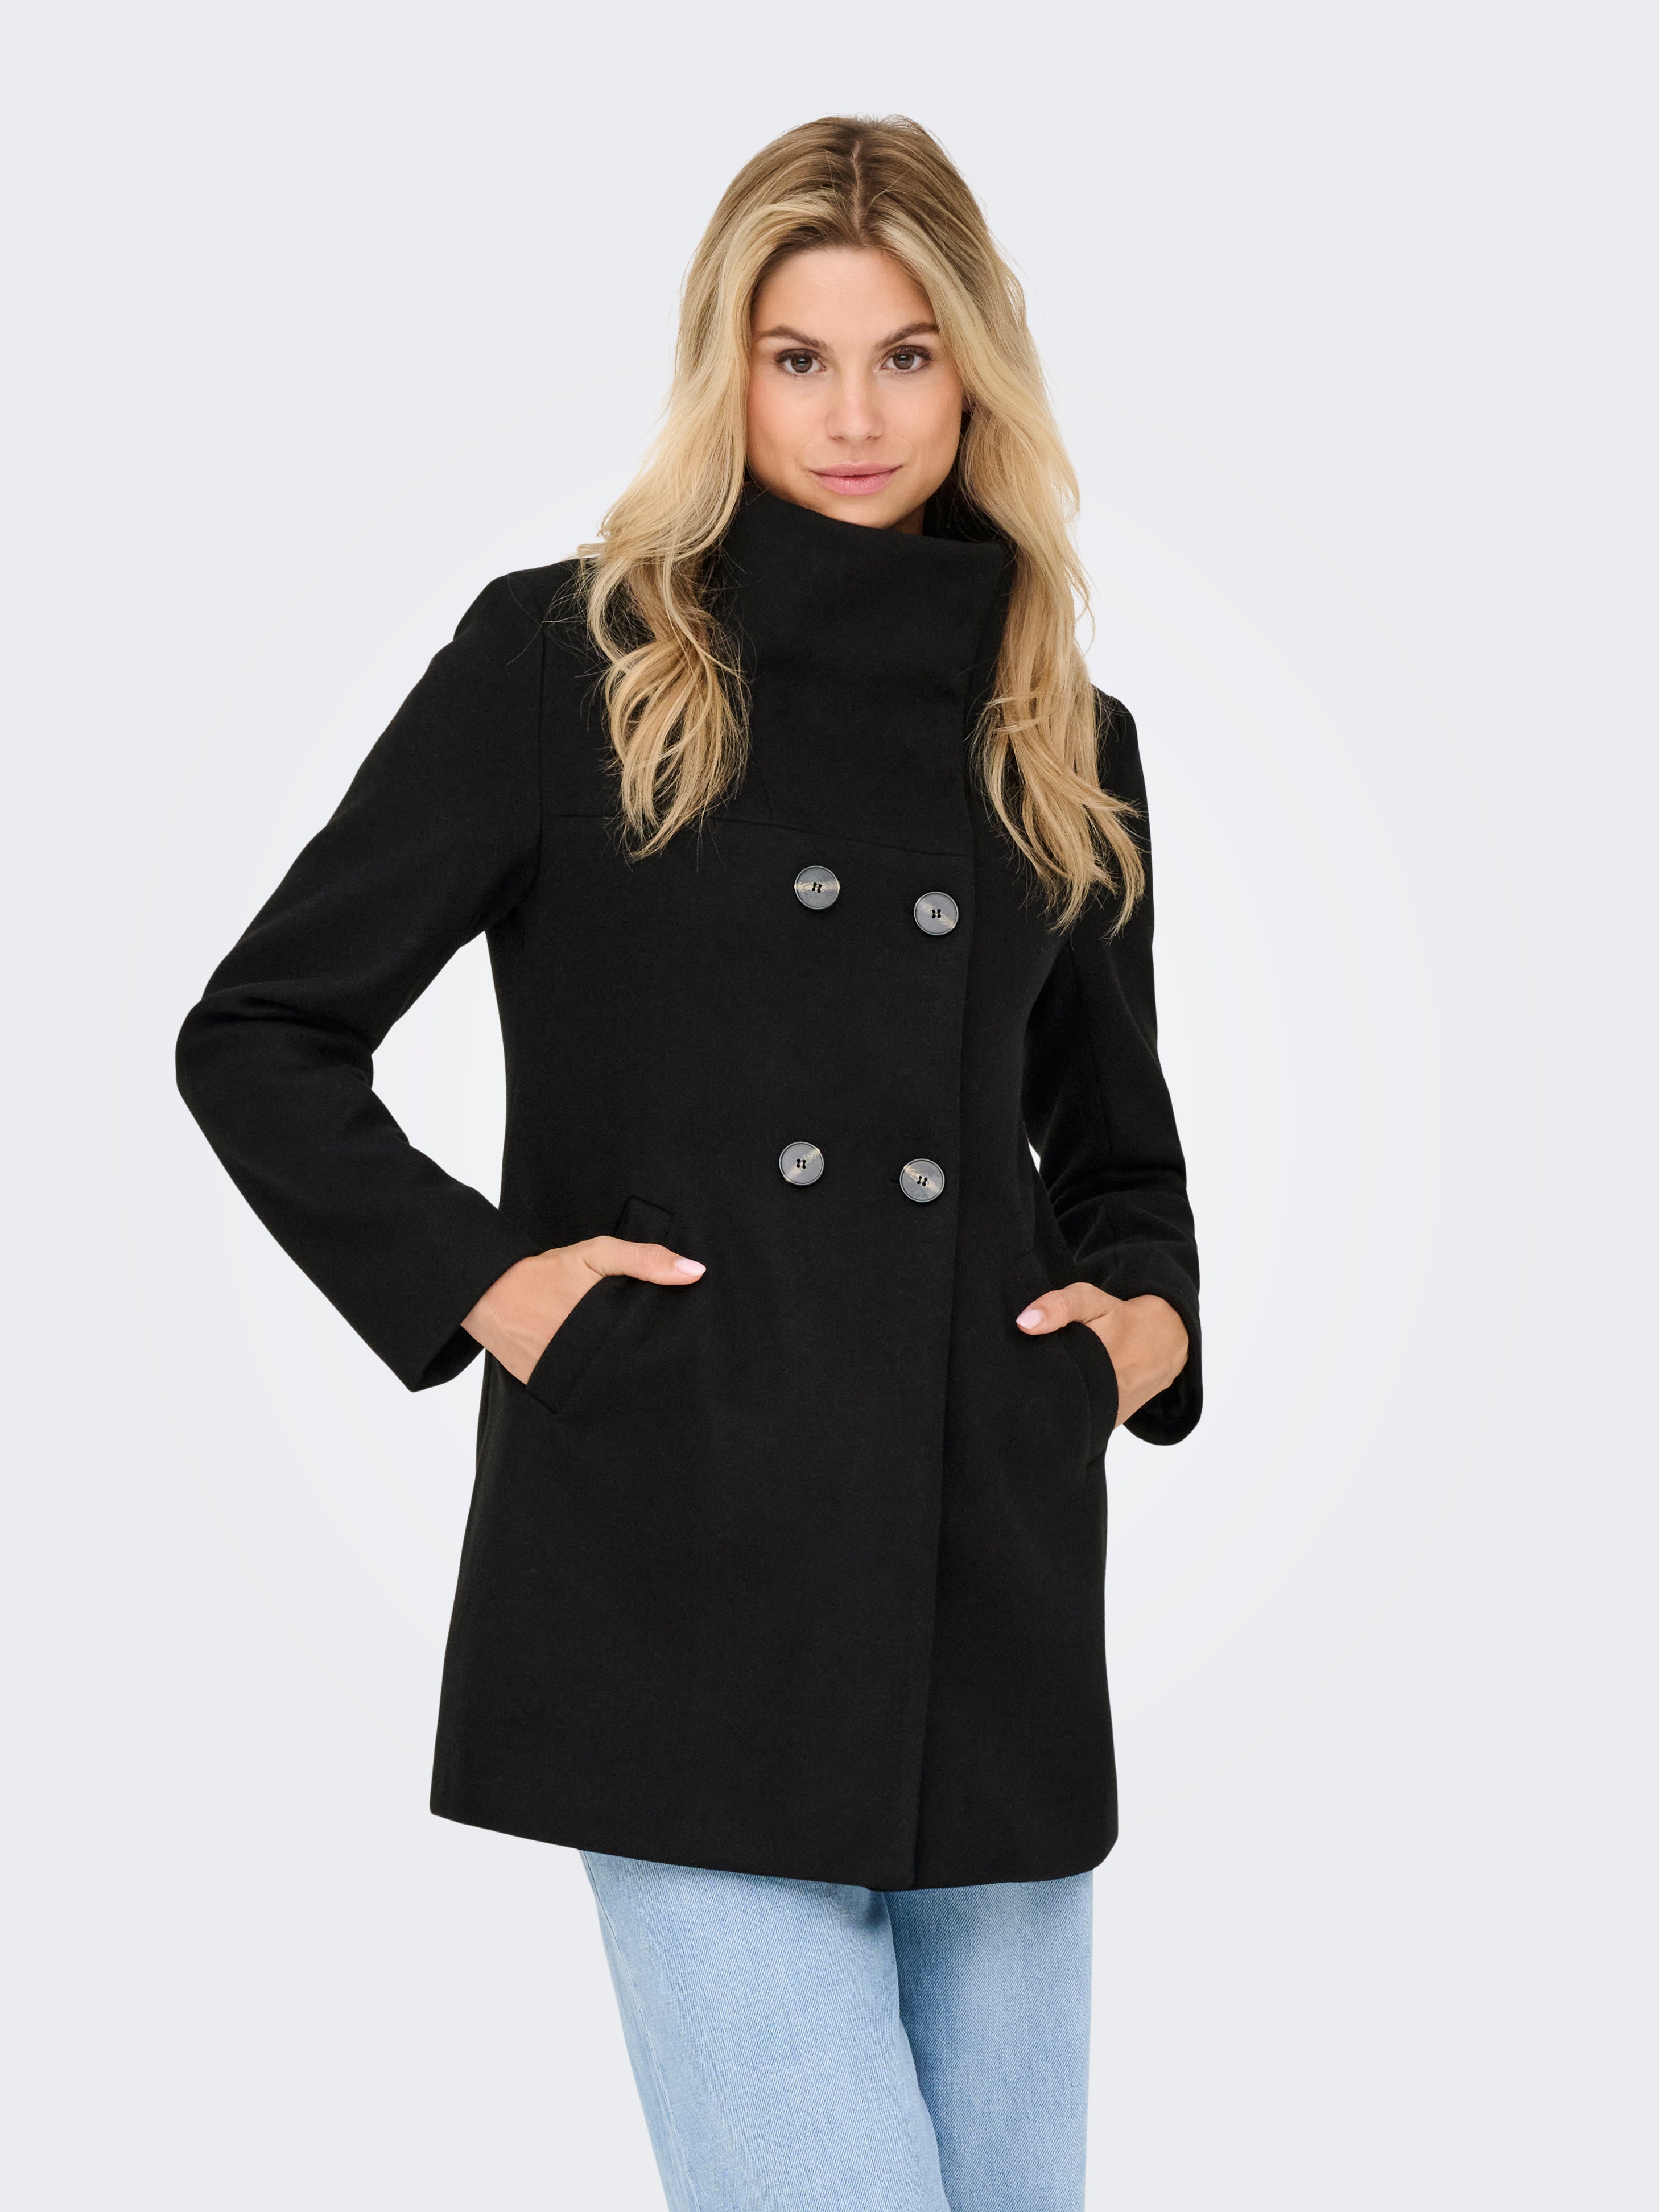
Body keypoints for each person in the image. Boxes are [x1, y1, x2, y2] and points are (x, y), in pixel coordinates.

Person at [178, 113, 1200, 2212]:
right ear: (722, 367)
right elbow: (263, 1033)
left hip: (988, 1599)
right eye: (796, 357)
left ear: (978, 373)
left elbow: (1121, 1157)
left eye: (906, 356)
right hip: (680, 1571)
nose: (853, 415)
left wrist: (1131, 1340)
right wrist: (497, 1288)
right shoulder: (572, 665)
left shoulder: (1063, 734)